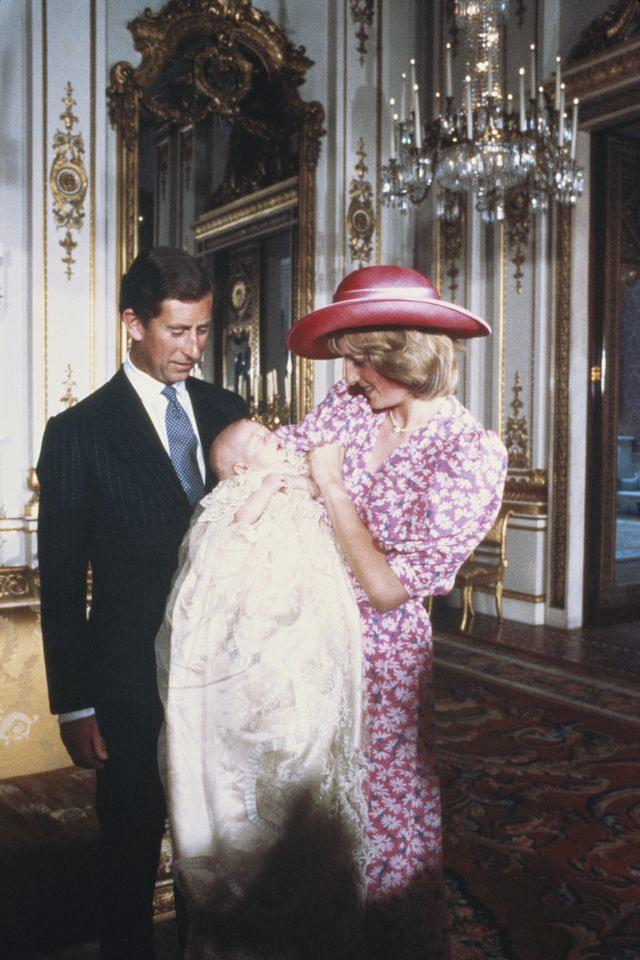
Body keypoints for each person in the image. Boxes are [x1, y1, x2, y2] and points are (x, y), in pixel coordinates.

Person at [279, 265, 509, 960]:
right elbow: (276, 457)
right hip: (307, 636)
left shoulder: (470, 455)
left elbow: (385, 589)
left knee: (385, 815)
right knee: (309, 809)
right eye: (347, 361)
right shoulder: (354, 409)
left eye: (360, 361)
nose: (347, 379)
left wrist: (330, 486)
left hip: (382, 658)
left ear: (403, 354)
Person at [36, 247, 247, 960]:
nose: (193, 349)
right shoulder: (77, 435)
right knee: (127, 855)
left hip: (221, 681)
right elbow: (61, 585)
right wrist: (75, 705)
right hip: (126, 685)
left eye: (203, 331)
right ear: (133, 323)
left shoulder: (228, 413)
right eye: (177, 331)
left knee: (215, 856)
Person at [156, 418, 367, 959]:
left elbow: (322, 488)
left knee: (318, 751)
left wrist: (311, 483)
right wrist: (267, 490)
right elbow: (228, 536)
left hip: (308, 623)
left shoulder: (291, 473)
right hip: (261, 631)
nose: (276, 435)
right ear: (243, 468)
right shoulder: (242, 491)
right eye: (260, 440)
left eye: (270, 431)